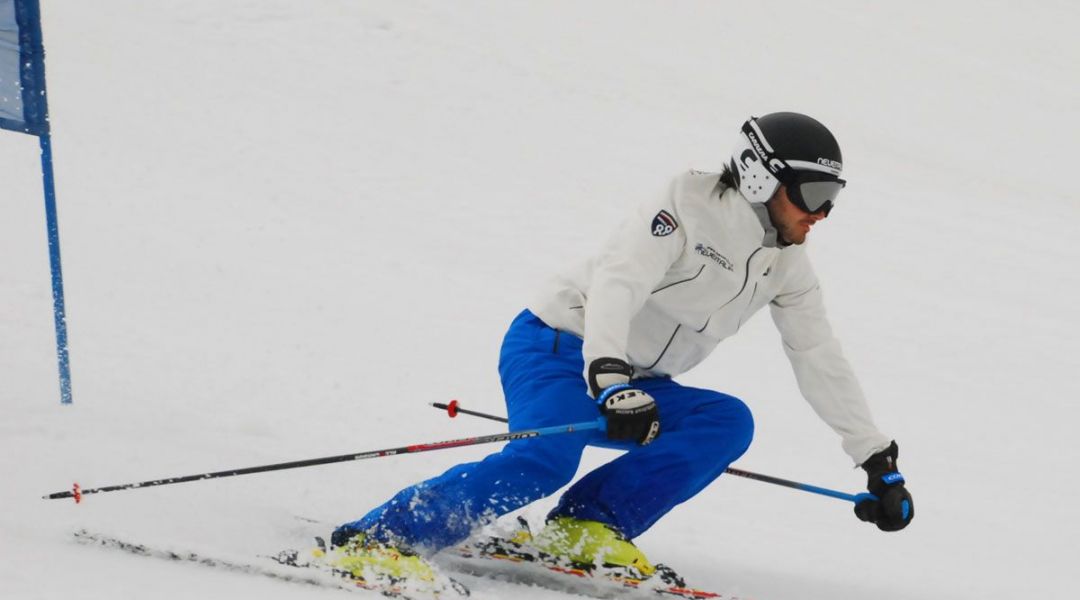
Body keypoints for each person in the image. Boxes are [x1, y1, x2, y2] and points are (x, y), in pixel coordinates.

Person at [328, 112, 914, 583]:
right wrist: (608, 378)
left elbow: (818, 354)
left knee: (726, 421)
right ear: (762, 177)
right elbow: (619, 280)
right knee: (545, 459)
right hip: (559, 347)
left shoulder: (788, 265)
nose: (822, 213)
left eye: (833, 196)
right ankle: (383, 538)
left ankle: (587, 525)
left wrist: (875, 459)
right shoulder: (686, 203)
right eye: (813, 193)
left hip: (640, 382)